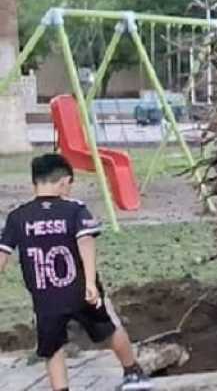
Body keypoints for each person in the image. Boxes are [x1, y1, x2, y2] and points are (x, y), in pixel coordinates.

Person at [0, 154, 153, 391]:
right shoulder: (75, 210)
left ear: (35, 183)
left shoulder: (17, 217)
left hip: (45, 297)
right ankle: (133, 371)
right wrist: (91, 282)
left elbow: (3, 253)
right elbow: (86, 243)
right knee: (109, 329)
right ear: (64, 182)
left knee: (52, 347)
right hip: (80, 289)